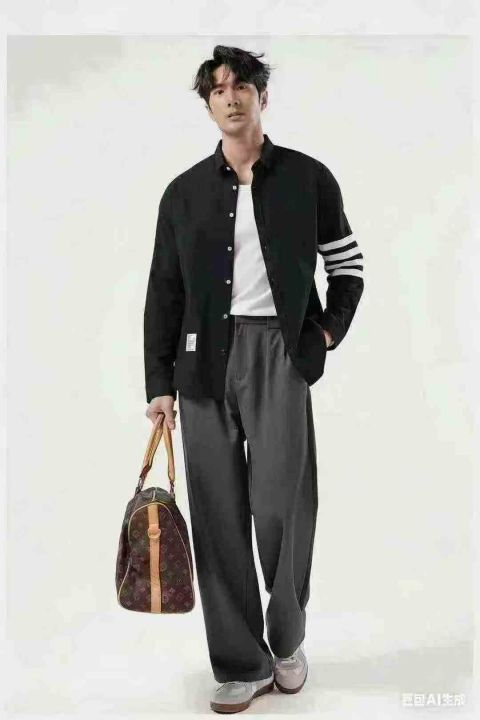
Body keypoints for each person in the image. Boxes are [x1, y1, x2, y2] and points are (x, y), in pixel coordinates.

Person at [143, 44, 364, 714]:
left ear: (261, 97)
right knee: (217, 516)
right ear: (208, 104)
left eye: (241, 85)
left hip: (279, 355)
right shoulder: (183, 193)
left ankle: (287, 640)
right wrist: (158, 385)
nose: (230, 97)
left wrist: (322, 335)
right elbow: (164, 292)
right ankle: (241, 661)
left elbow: (347, 266)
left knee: (282, 507)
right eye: (217, 89)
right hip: (201, 364)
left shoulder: (307, 178)